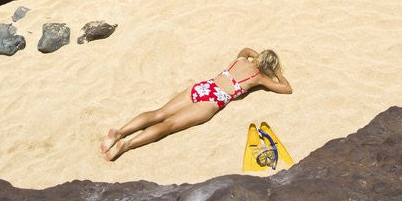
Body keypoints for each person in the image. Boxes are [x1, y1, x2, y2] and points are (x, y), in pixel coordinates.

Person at [100, 47, 292, 161]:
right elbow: (286, 88)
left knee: (159, 113)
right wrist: (276, 72)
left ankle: (119, 132)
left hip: (203, 87)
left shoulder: (239, 60)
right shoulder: (258, 77)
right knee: (168, 126)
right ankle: (126, 145)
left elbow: (247, 49)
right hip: (213, 100)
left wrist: (257, 55)